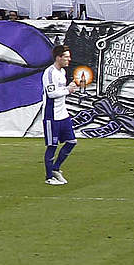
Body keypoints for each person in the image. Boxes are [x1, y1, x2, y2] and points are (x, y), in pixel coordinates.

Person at [42, 44, 81, 185]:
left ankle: (56, 168)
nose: (69, 59)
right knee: (52, 146)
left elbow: (61, 90)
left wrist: (68, 89)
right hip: (51, 116)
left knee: (72, 142)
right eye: (66, 57)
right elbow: (51, 93)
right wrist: (68, 90)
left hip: (62, 114)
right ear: (58, 57)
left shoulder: (62, 72)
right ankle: (49, 177)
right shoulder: (49, 73)